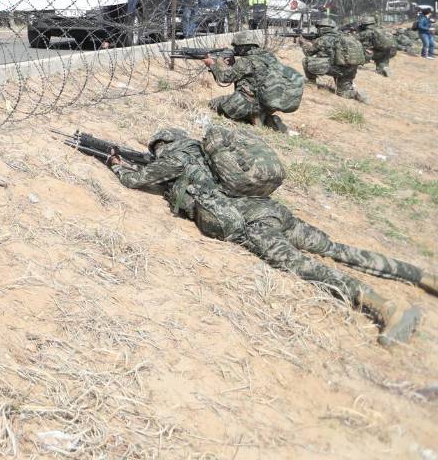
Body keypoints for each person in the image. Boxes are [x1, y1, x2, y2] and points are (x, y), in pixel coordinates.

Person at [103, 128, 431, 345]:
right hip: (273, 210)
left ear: (162, 145)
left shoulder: (174, 159)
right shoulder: (208, 154)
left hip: (256, 225)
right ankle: (419, 275)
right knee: (336, 249)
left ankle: (387, 309)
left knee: (306, 267)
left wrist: (116, 164)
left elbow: (134, 181)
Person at [205, 31, 302, 133]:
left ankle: (251, 117)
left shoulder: (246, 61)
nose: (235, 49)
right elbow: (253, 76)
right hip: (265, 105)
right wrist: (234, 65)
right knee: (251, 109)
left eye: (236, 47)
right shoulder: (269, 57)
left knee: (213, 104)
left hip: (246, 104)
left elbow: (224, 78)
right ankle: (267, 120)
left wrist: (212, 64)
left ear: (243, 47)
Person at [298, 17, 365, 102]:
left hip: (336, 69)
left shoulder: (323, 39)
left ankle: (311, 84)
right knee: (343, 92)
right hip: (350, 70)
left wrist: (303, 44)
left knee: (306, 61)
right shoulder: (345, 36)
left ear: (322, 28)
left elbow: (308, 53)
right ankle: (356, 94)